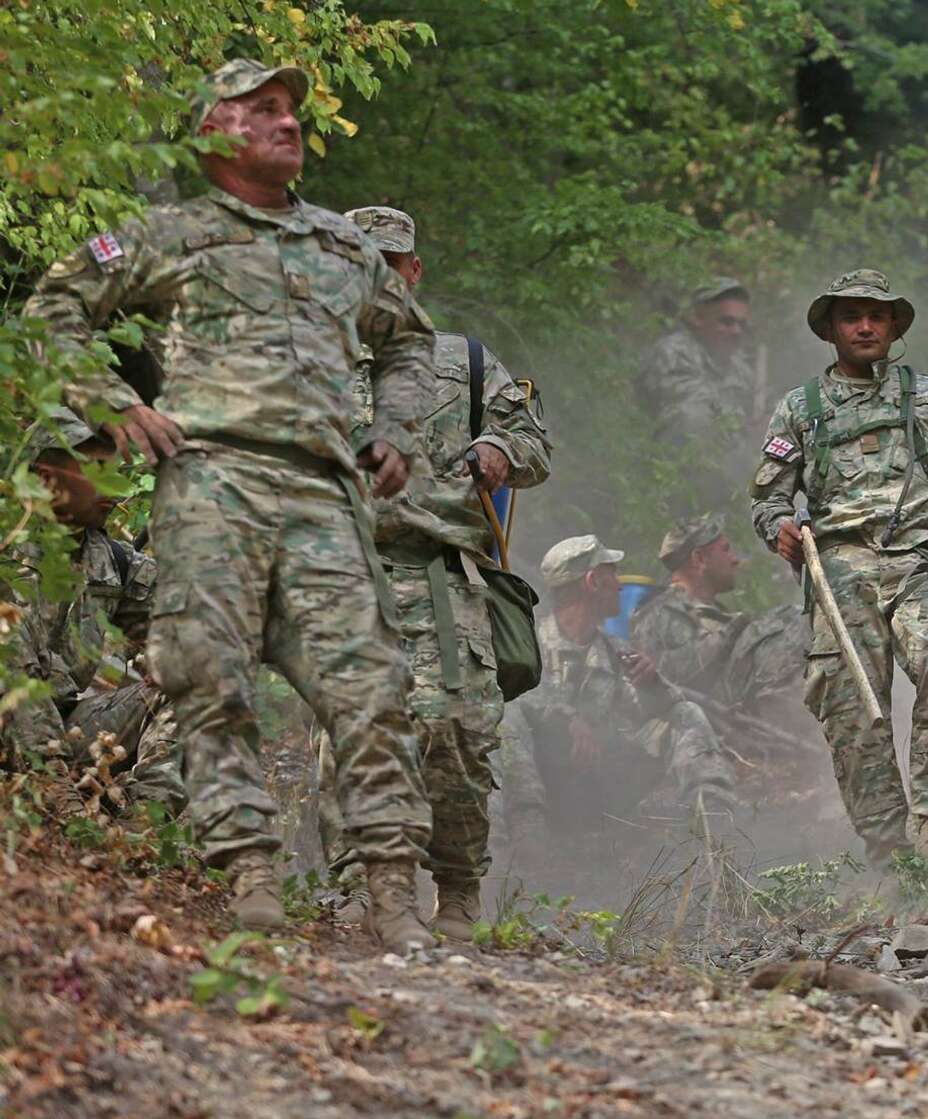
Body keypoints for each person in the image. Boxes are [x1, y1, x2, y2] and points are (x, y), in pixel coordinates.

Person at [21, 59, 437, 952]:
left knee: (370, 687)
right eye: (264, 111)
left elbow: (409, 343)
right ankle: (248, 869)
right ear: (215, 132)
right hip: (213, 481)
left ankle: (394, 891)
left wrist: (397, 428)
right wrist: (115, 403)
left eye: (291, 112)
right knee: (209, 677)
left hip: (326, 492)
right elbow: (54, 308)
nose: (288, 125)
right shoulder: (171, 233)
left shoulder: (342, 246)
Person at [311, 206, 553, 943]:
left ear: (413, 271)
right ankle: (362, 887)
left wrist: (497, 449)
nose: (378, 275)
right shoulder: (309, 362)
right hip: (346, 574)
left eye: (392, 262)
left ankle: (456, 888)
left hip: (446, 579)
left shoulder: (469, 362)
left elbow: (533, 442)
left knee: (455, 734)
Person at [749, 270, 928, 869]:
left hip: (919, 558)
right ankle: (887, 844)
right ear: (831, 329)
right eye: (852, 316)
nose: (865, 326)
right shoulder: (800, 409)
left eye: (876, 316)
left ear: (892, 327)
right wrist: (777, 527)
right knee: (848, 699)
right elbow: (767, 496)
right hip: (839, 570)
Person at [5, 411, 182, 812]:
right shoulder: (6, 546)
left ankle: (143, 822)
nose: (114, 487)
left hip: (64, 729)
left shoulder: (112, 560)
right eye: (97, 469)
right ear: (45, 473)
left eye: (115, 468)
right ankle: (54, 794)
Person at [508, 535, 737, 835]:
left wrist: (651, 685)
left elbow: (656, 709)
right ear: (592, 582)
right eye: (612, 574)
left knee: (685, 713)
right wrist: (566, 717)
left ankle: (717, 828)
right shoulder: (527, 643)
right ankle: (528, 839)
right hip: (539, 788)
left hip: (598, 791)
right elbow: (504, 697)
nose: (619, 585)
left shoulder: (615, 650)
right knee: (507, 719)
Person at [627, 514, 812, 742]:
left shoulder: (716, 612)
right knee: (790, 618)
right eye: (725, 550)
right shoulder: (656, 613)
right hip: (716, 717)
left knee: (798, 621)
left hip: (743, 711)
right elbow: (661, 678)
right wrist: (732, 633)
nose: (734, 559)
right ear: (699, 559)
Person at [633, 278, 756, 486]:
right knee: (694, 417)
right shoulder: (672, 352)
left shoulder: (740, 369)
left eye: (741, 325)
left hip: (722, 469)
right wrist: (743, 425)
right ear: (698, 319)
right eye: (726, 322)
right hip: (661, 467)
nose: (736, 331)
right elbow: (692, 407)